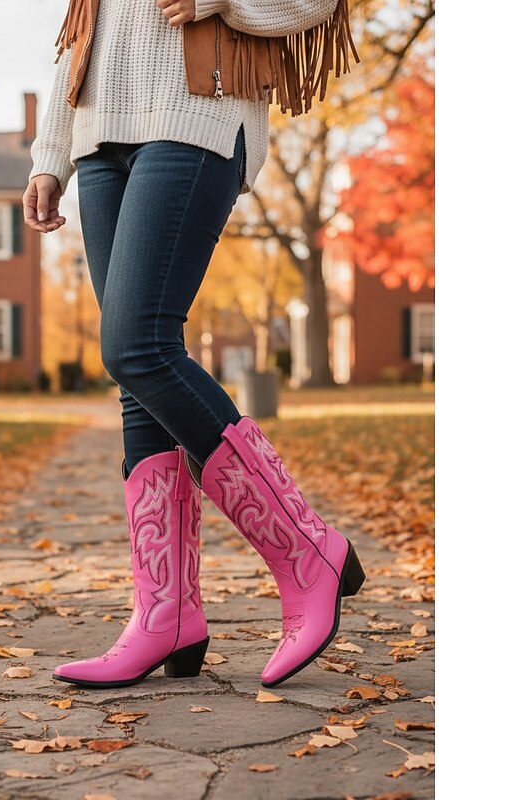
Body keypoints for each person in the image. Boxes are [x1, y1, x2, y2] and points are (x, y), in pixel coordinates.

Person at [21, 0, 364, 690]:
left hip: (193, 111)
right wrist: (49, 154)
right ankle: (166, 616)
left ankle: (307, 552)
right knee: (137, 376)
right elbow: (80, 33)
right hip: (99, 136)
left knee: (136, 345)